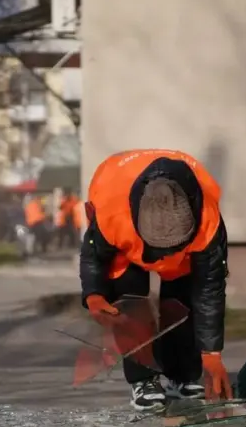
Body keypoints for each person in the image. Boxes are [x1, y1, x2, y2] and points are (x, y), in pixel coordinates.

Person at [80, 149, 233, 410]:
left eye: (170, 247)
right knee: (130, 303)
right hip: (127, 246)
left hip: (183, 246)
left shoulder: (208, 221)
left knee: (183, 301)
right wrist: (94, 293)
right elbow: (94, 255)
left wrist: (211, 354)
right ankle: (144, 379)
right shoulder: (112, 214)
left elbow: (210, 290)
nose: (162, 258)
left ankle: (183, 374)